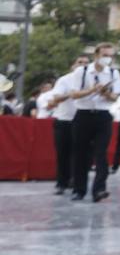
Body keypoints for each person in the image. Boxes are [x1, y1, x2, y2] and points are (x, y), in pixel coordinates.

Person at [66, 43, 120, 202]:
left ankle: (99, 189)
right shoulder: (82, 71)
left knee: (101, 153)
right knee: (81, 154)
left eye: (110, 56)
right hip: (83, 115)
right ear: (96, 55)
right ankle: (79, 189)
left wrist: (106, 92)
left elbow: (116, 97)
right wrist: (91, 90)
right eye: (105, 55)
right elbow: (73, 94)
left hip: (103, 116)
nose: (107, 59)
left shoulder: (113, 73)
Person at [39, 59, 83, 195]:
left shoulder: (90, 81)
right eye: (80, 62)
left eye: (86, 63)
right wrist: (71, 94)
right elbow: (56, 98)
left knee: (80, 154)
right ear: (73, 65)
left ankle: (76, 182)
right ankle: (61, 183)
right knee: (63, 154)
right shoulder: (64, 80)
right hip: (64, 121)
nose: (83, 65)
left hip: (82, 122)